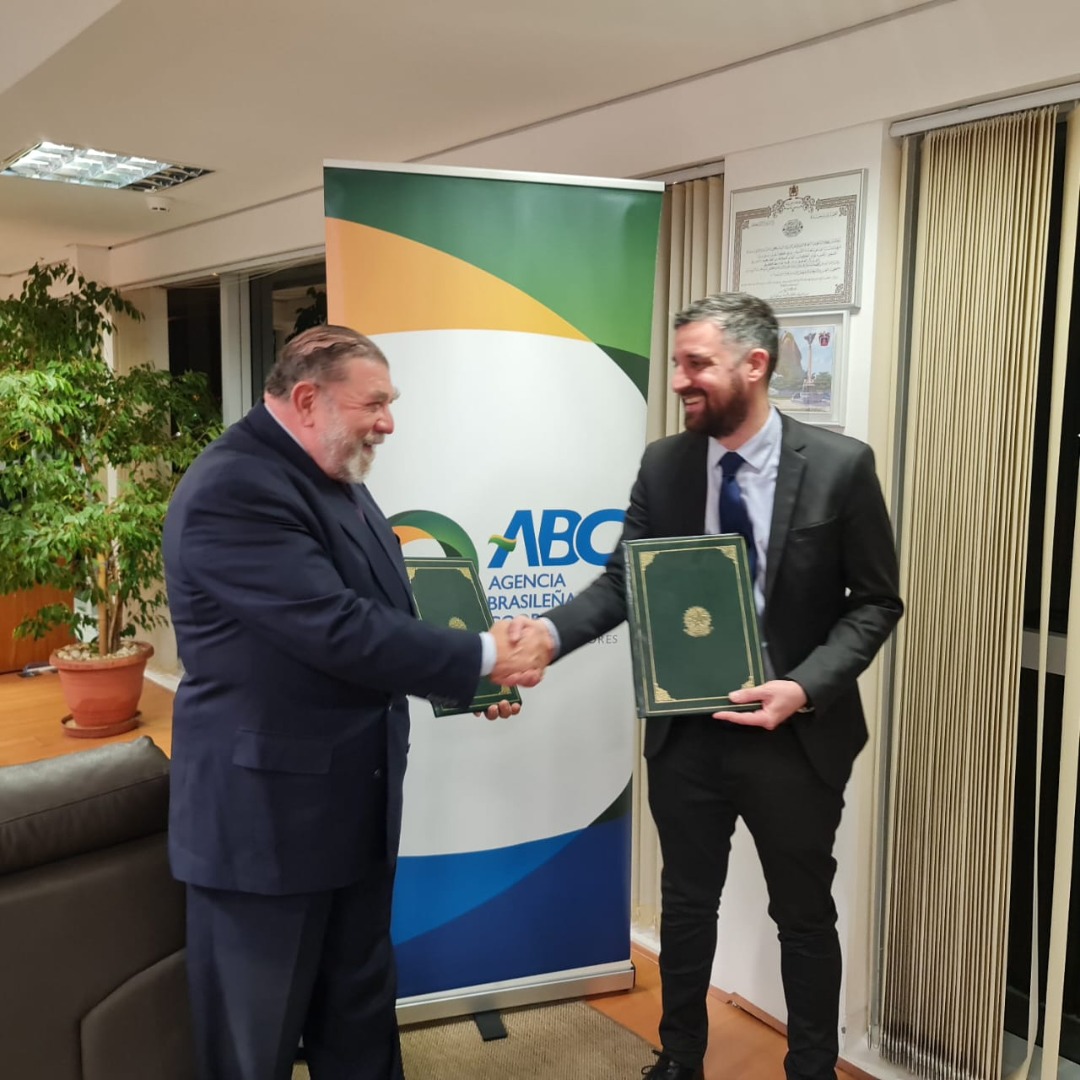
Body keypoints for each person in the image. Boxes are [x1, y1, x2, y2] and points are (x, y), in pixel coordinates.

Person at [515, 293, 903, 1080]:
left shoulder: (841, 466)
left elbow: (875, 602)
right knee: (688, 907)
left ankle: (811, 1068)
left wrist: (803, 687)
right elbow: (622, 581)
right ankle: (680, 1058)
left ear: (755, 364)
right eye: (677, 363)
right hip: (686, 732)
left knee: (803, 915)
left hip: (794, 737)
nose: (679, 381)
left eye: (697, 364)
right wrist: (548, 637)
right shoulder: (666, 464)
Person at [162, 325, 547, 1080]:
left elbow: (383, 616)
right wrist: (483, 656)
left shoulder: (335, 476)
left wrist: (474, 685)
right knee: (253, 1047)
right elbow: (336, 628)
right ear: (308, 400)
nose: (389, 422)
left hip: (353, 812)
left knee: (361, 1021)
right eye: (374, 404)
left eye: (389, 403)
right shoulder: (234, 488)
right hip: (265, 833)